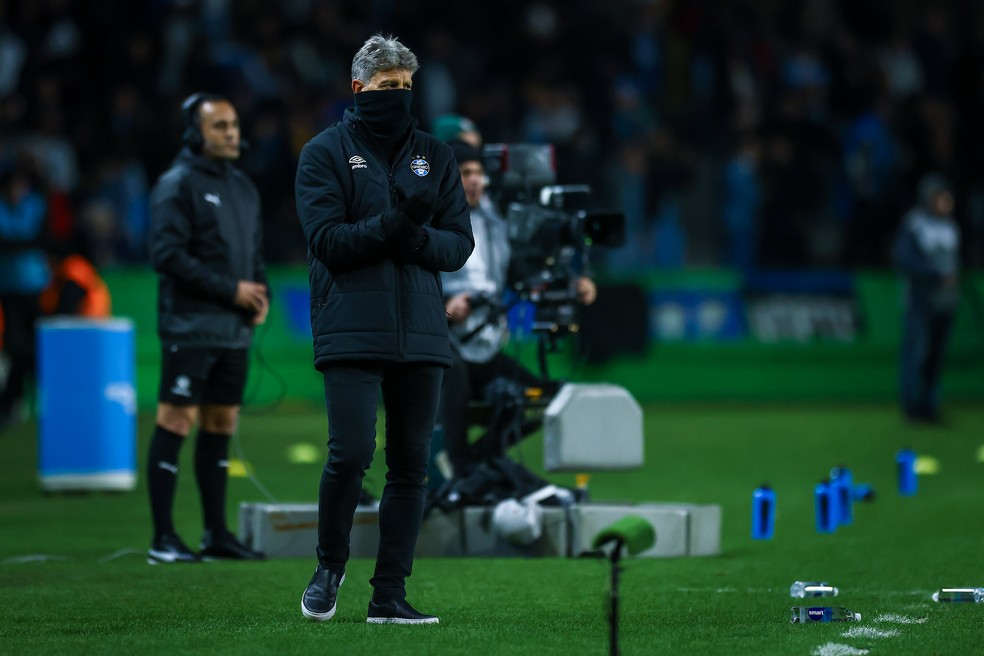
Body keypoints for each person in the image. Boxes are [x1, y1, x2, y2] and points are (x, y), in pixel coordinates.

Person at [294, 34, 473, 624]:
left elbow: (458, 245)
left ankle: (388, 594)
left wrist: (414, 235)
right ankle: (329, 566)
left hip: (422, 331)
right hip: (350, 325)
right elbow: (328, 243)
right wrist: (397, 224)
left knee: (410, 467)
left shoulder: (436, 156)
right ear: (357, 88)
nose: (396, 96)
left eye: (404, 87)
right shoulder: (323, 153)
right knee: (350, 453)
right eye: (385, 87)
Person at [145, 92, 269, 564]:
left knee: (221, 423)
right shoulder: (177, 185)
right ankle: (162, 539)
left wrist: (260, 297)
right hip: (191, 326)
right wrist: (230, 290)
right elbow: (167, 256)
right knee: (176, 420)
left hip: (233, 330)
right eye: (219, 126)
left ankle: (216, 534)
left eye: (234, 124)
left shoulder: (243, 187)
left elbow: (253, 257)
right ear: (194, 133)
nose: (232, 133)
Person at [439, 139, 597, 478]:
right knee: (453, 385)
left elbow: (520, 276)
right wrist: (446, 307)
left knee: (543, 401)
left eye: (479, 173)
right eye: (466, 172)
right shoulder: (429, 224)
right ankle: (459, 466)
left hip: (486, 345)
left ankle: (471, 464)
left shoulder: (495, 224)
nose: (475, 180)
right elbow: (411, 289)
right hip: (442, 345)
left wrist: (571, 284)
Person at [892, 172, 960, 424]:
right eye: (939, 197)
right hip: (920, 302)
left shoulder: (951, 227)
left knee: (935, 357)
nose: (944, 202)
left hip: (945, 303)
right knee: (916, 353)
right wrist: (935, 276)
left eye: (947, 197)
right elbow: (904, 259)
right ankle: (913, 407)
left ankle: (930, 406)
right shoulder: (915, 224)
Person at [0, 156, 49, 426]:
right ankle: (13, 401)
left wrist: (15, 243)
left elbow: (43, 238)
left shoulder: (35, 205)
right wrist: (24, 242)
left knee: (36, 347)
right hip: (9, 289)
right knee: (16, 347)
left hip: (34, 287)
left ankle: (15, 401)